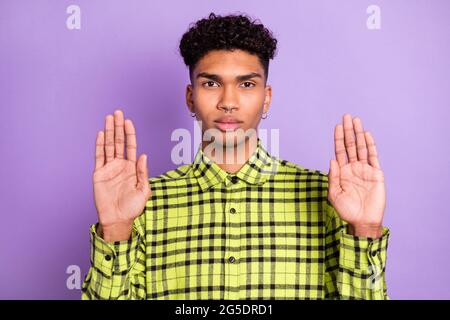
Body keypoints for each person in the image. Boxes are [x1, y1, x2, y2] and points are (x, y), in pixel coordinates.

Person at [81, 12, 389, 300]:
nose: (228, 102)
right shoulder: (145, 202)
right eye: (211, 83)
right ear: (191, 97)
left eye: (246, 84)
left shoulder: (330, 197)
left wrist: (364, 229)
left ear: (266, 98)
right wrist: (117, 227)